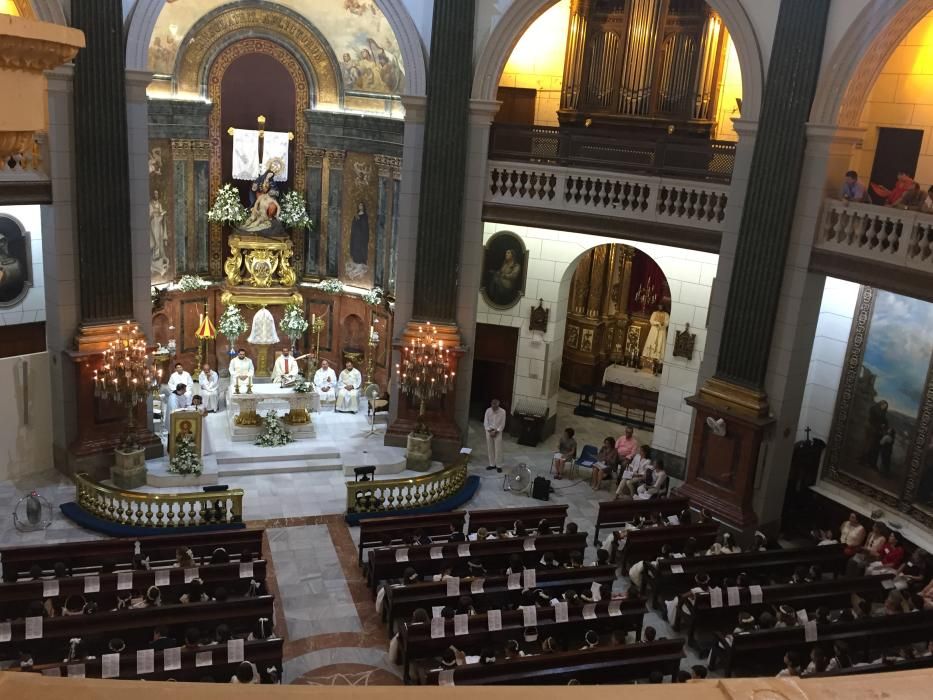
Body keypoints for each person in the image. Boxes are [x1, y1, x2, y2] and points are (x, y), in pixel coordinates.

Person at [483, 398, 506, 472]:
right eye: (492, 406)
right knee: (490, 448)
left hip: (498, 432)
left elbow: (502, 424)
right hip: (489, 431)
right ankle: (492, 464)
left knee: (498, 449)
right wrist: (490, 431)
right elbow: (485, 422)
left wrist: (496, 431)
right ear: (491, 404)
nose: (494, 408)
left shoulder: (503, 412)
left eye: (495, 406)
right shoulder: (488, 411)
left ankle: (498, 465)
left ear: (498, 405)